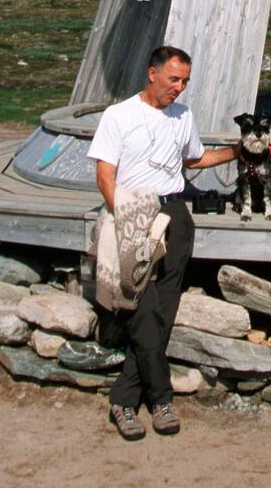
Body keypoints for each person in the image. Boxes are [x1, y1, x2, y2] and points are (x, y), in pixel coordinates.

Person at [87, 45, 241, 440]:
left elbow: (193, 159)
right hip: (135, 213)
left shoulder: (183, 116)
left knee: (164, 309)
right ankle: (154, 397)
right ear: (152, 73)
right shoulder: (118, 116)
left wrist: (238, 152)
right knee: (141, 305)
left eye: (185, 81)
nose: (180, 87)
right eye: (174, 79)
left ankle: (127, 401)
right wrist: (125, 220)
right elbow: (106, 177)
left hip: (175, 215)